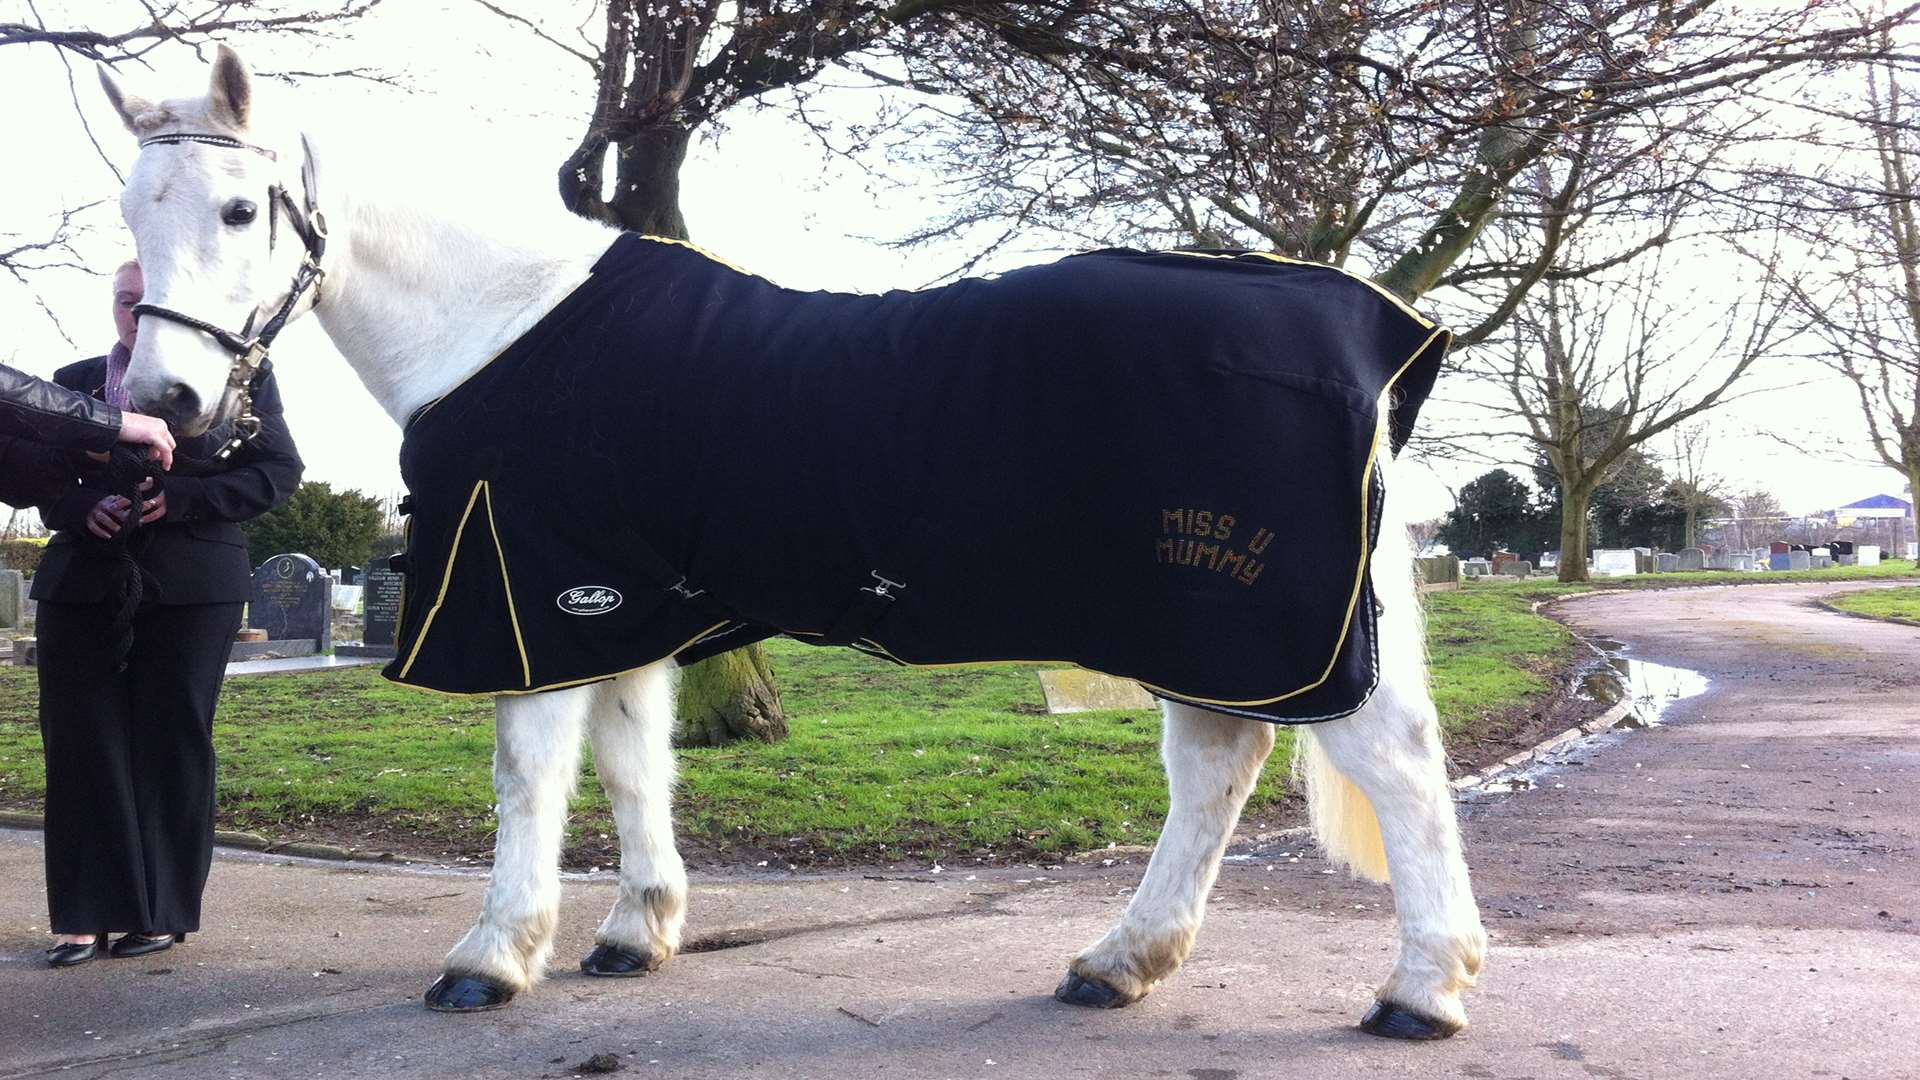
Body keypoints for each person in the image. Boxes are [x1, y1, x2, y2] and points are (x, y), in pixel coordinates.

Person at [30, 260, 303, 967]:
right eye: (126, 301)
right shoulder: (74, 380)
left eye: (150, 302)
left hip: (193, 582)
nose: (136, 314)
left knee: (171, 740)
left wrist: (182, 501)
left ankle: (158, 911)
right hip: (82, 582)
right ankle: (84, 914)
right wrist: (80, 506)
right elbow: (39, 480)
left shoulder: (235, 377)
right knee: (81, 741)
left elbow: (277, 473)